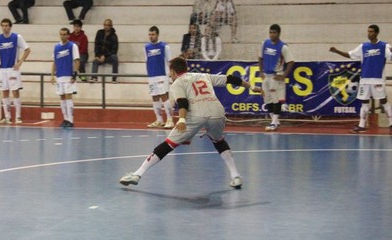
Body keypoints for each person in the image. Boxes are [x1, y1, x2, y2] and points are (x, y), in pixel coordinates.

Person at [119, 57, 263, 188]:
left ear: (173, 71)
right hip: (217, 112)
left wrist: (181, 120)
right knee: (219, 142)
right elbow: (231, 79)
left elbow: (183, 103)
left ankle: (137, 174)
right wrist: (252, 87)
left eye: (170, 72)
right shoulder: (203, 76)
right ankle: (235, 176)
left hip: (196, 115)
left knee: (168, 144)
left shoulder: (177, 83)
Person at [330, 24, 392, 132]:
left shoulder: (384, 46)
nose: (369, 34)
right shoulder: (363, 46)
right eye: (368, 31)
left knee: (383, 101)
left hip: (377, 79)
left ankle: (391, 124)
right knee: (364, 102)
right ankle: (362, 125)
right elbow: (350, 54)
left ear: (377, 33)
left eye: (371, 32)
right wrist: (337, 51)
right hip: (364, 80)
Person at [0, 18, 31, 125]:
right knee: (5, 92)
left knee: (15, 92)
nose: (5, 27)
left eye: (7, 25)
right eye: (3, 25)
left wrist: (20, 62)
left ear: (10, 26)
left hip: (13, 69)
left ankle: (18, 116)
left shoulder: (17, 37)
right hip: (2, 70)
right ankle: (7, 117)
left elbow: (27, 49)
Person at [258, 24, 295, 132]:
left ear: (278, 33)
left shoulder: (283, 47)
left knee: (276, 99)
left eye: (274, 32)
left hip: (276, 76)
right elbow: (260, 58)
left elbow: (291, 62)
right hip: (266, 75)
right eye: (270, 32)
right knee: (267, 98)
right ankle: (274, 120)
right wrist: (260, 71)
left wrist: (283, 76)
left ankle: (274, 122)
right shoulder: (264, 43)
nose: (271, 34)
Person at [144, 26, 174, 129]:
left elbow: (170, 61)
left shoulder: (164, 46)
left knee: (164, 96)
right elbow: (147, 61)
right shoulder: (146, 47)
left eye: (153, 34)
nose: (151, 36)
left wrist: (171, 74)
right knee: (154, 97)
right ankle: (159, 120)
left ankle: (170, 119)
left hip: (162, 75)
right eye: (149, 34)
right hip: (152, 76)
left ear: (157, 35)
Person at [50, 27, 80, 128]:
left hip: (68, 75)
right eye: (61, 34)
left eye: (64, 34)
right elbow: (54, 62)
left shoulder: (73, 46)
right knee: (62, 97)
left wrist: (74, 74)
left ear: (68, 35)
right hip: (60, 76)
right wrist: (52, 75)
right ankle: (65, 118)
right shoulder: (56, 47)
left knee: (68, 97)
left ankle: (71, 120)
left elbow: (77, 61)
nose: (62, 36)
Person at [91, 19, 119, 83]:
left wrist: (105, 56)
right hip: (100, 56)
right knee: (95, 61)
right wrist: (98, 55)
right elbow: (96, 45)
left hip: (109, 56)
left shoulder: (114, 36)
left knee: (115, 58)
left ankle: (114, 78)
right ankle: (94, 77)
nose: (106, 26)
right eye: (105, 25)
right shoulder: (99, 32)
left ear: (111, 26)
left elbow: (114, 50)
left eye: (108, 25)